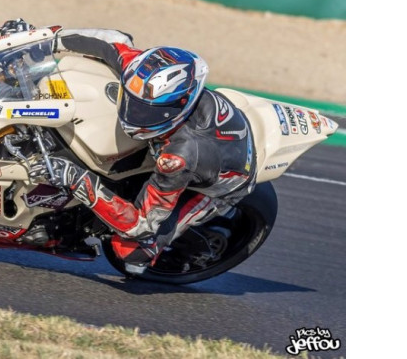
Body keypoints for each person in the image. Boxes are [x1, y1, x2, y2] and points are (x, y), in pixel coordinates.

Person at [28, 28, 257, 274]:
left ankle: (177, 251)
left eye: (147, 111)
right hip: (187, 143)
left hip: (220, 184)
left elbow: (140, 224)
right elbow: (114, 42)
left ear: (180, 106)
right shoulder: (142, 75)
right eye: (132, 102)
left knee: (130, 251)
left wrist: (77, 179)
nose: (135, 114)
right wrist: (46, 37)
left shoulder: (179, 158)